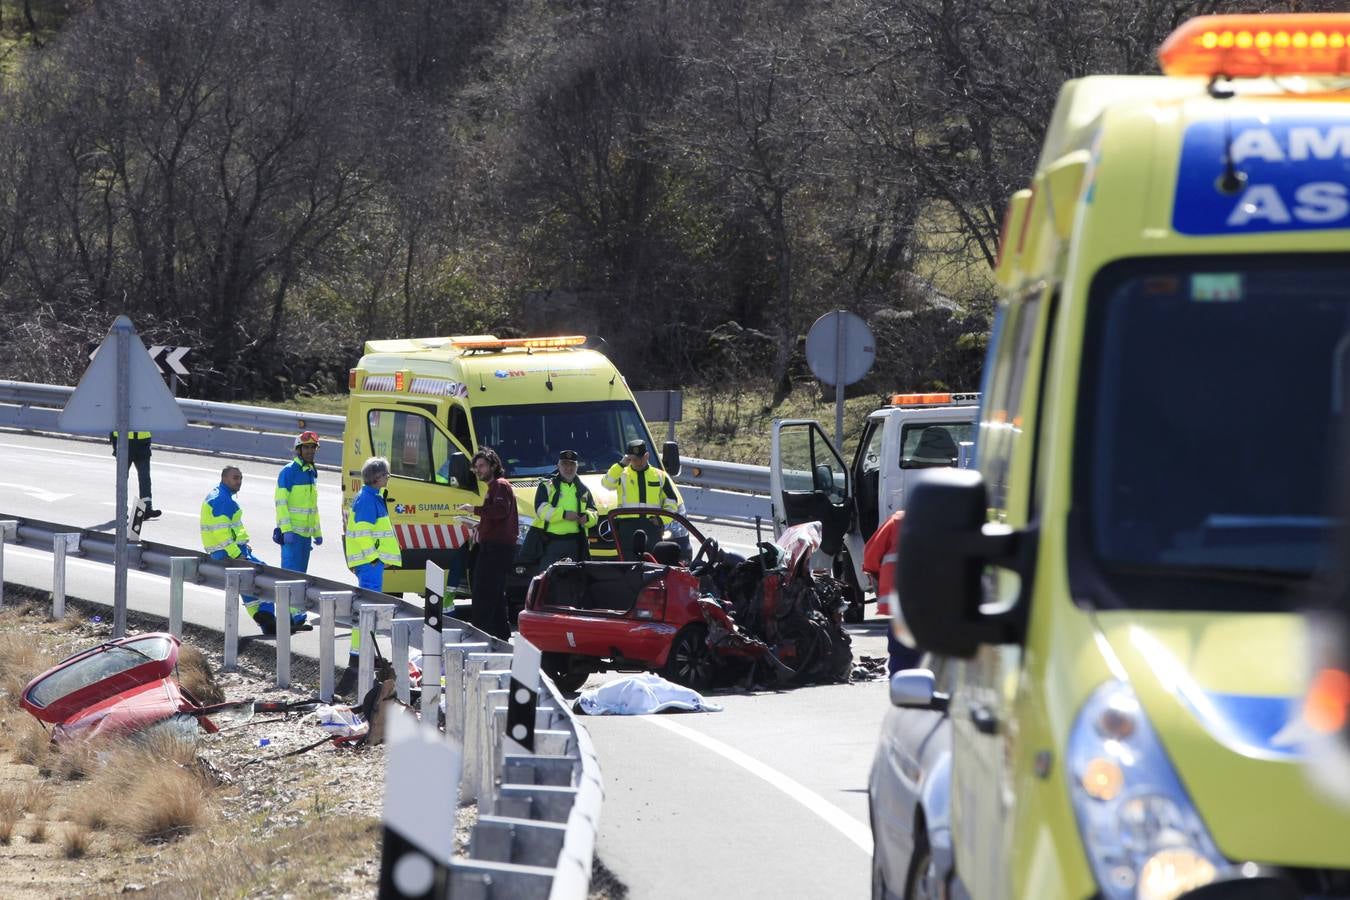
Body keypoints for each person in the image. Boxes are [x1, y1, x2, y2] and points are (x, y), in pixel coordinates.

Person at [201, 466, 308, 634]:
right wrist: (238, 553)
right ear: (224, 479)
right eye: (235, 478)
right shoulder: (222, 500)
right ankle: (265, 615)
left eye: (241, 478)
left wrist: (243, 545)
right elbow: (221, 533)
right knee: (265, 575)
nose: (239, 482)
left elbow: (230, 529)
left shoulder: (221, 496)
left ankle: (266, 624)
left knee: (248, 587)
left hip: (227, 551)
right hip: (228, 553)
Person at [342, 456, 402, 693]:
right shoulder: (368, 500)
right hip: (370, 564)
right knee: (367, 611)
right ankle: (359, 656)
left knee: (368, 611)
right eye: (387, 474)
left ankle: (362, 654)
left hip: (371, 564)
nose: (388, 478)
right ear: (377, 477)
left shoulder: (371, 497)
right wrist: (375, 558)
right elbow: (364, 534)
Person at [457, 447, 516, 641]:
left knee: (483, 592)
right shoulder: (495, 487)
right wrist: (477, 526)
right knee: (496, 594)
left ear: (493, 465)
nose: (478, 470)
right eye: (476, 467)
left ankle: (480, 636)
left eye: (481, 465)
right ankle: (501, 636)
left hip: (496, 549)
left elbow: (499, 511)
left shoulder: (500, 485)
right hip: (495, 547)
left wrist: (474, 509)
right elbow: (495, 518)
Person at [862, 510, 922, 675]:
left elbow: (870, 557)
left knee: (903, 659)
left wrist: (877, 578)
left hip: (904, 604)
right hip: (945, 607)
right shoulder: (959, 521)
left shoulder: (898, 521)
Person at [602, 439, 679, 559]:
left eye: (640, 458)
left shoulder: (659, 475)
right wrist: (621, 464)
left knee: (653, 562)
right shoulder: (621, 474)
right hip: (627, 528)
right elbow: (606, 483)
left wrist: (661, 519)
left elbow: (672, 502)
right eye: (633, 459)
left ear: (647, 456)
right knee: (628, 565)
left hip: (651, 526)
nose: (637, 462)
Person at [532, 449, 598, 569]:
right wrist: (563, 514)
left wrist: (587, 517)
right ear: (558, 466)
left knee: (574, 582)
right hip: (550, 543)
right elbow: (541, 510)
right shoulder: (546, 486)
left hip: (576, 544)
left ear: (577, 466)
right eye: (565, 464)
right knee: (548, 581)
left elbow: (594, 512)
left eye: (572, 464)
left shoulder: (583, 489)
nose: (569, 468)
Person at [274, 431, 324, 572]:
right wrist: (286, 530)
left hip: (305, 537)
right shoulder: (289, 471)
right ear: (299, 450)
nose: (310, 451)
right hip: (292, 536)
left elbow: (312, 507)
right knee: (290, 580)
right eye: (306, 447)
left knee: (301, 579)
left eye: (313, 447)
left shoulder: (311, 472)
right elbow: (281, 503)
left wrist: (317, 532)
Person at [109, 431, 161, 518]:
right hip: (124, 441)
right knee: (123, 478)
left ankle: (147, 509)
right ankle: (121, 511)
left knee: (145, 477)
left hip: (143, 442)